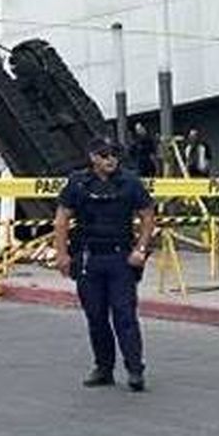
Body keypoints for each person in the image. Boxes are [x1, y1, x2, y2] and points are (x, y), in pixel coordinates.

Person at [54, 136, 157, 392]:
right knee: (96, 317)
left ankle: (135, 370)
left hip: (120, 257)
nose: (110, 159)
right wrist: (62, 255)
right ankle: (103, 368)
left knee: (125, 315)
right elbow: (61, 220)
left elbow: (147, 216)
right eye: (104, 155)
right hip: (89, 257)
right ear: (93, 158)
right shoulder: (78, 183)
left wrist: (140, 249)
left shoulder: (130, 182)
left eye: (113, 154)